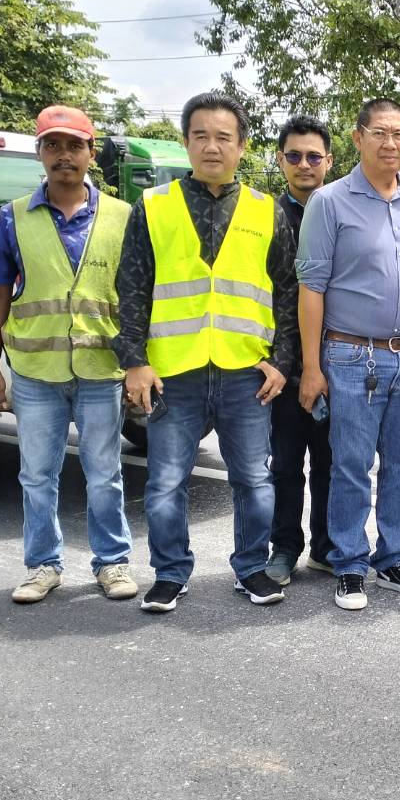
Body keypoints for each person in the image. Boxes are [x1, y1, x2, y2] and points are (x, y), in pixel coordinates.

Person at [115, 92, 300, 613]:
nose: (212, 147)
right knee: (165, 483)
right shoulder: (153, 207)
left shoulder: (266, 211)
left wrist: (281, 361)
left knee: (255, 481)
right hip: (174, 371)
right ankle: (170, 574)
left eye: (223, 137)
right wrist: (134, 361)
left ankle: (252, 568)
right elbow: (131, 288)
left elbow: (287, 292)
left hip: (246, 372)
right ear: (186, 142)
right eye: (201, 136)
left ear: (242, 146)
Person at [297, 98, 400, 612]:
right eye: (380, 133)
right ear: (358, 137)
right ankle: (348, 563)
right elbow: (312, 286)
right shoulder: (330, 202)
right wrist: (312, 367)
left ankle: (395, 558)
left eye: (399, 134)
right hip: (350, 356)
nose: (390, 143)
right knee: (351, 465)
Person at [0, 105, 135, 605]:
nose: (63, 155)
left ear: (92, 153)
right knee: (37, 475)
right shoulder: (14, 217)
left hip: (100, 368)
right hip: (35, 371)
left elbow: (138, 296)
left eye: (74, 145)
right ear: (40, 153)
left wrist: (140, 364)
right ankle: (42, 566)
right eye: (53, 145)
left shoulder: (122, 216)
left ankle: (111, 562)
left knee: (105, 474)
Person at [265, 115, 334, 585]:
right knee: (286, 464)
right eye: (294, 156)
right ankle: (285, 548)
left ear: (329, 161)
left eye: (313, 156)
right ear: (280, 160)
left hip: (339, 358)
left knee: (332, 462)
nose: (304, 164)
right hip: (281, 365)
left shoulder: (344, 210)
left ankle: (326, 547)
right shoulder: (263, 217)